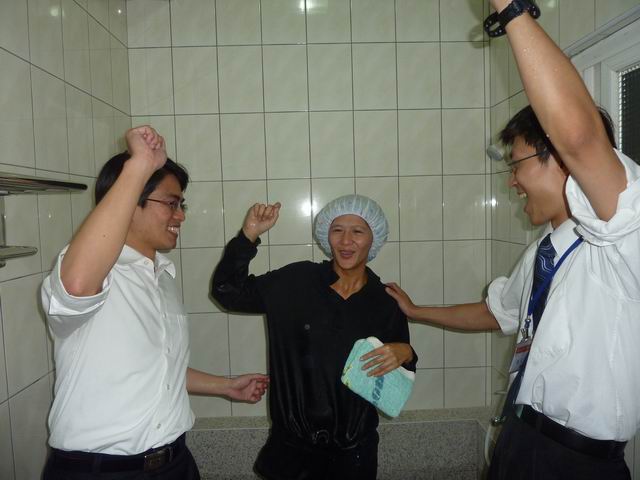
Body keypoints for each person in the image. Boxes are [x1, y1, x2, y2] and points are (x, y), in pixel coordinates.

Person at [386, 1, 639, 478]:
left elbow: (580, 138)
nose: (512, 181)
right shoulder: (546, 250)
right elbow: (496, 312)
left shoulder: (622, 242)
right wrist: (417, 311)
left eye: (517, 164)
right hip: (521, 441)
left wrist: (510, 8)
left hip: (576, 462)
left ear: (559, 160)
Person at [40, 126, 268, 480]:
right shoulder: (95, 272)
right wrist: (140, 164)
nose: (181, 215)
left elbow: (160, 370)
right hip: (101, 471)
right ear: (131, 201)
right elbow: (77, 285)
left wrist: (225, 385)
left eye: (181, 204)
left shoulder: (162, 277)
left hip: (175, 462)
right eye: (172, 203)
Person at [211, 194, 417, 480]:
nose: (346, 241)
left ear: (374, 238)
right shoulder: (296, 282)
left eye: (358, 231)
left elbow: (399, 374)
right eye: (337, 230)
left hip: (354, 456)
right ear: (326, 236)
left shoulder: (385, 302)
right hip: (292, 453)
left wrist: (408, 353)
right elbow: (227, 292)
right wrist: (248, 236)